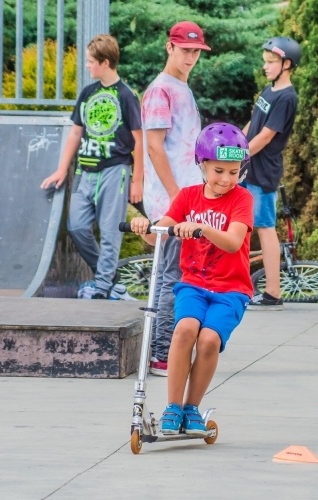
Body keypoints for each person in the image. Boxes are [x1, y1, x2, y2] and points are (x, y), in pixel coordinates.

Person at [129, 123, 253, 435]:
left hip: (231, 289)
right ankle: (173, 406)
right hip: (194, 285)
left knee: (209, 339)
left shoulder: (242, 200)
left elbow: (234, 242)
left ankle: (191, 407)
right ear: (203, 166)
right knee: (185, 329)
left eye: (233, 172)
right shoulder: (187, 197)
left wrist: (201, 227)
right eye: (219, 171)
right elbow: (161, 234)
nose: (226, 179)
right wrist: (146, 227)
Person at [40, 34, 142, 301]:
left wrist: (137, 180)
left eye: (90, 61)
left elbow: (139, 140)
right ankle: (108, 277)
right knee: (77, 226)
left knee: (110, 232)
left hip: (115, 170)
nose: (87, 66)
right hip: (85, 171)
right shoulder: (88, 93)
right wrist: (62, 169)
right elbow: (75, 133)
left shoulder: (126, 95)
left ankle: (102, 287)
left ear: (105, 62)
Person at [141, 21, 209, 376]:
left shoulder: (182, 87)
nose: (191, 57)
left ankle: (170, 348)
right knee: (171, 276)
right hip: (171, 203)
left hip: (188, 199)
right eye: (185, 50)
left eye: (196, 52)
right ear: (169, 47)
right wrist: (174, 199)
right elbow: (153, 146)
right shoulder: (160, 91)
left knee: (181, 274)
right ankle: (161, 353)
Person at [241, 36, 301, 310]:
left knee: (265, 228)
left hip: (263, 172)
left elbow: (265, 136)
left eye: (271, 62)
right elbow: (254, 122)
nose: (265, 67)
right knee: (247, 228)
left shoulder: (287, 97)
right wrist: (236, 140)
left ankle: (273, 292)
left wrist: (237, 157)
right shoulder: (270, 90)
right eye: (265, 62)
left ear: (287, 64)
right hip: (250, 167)